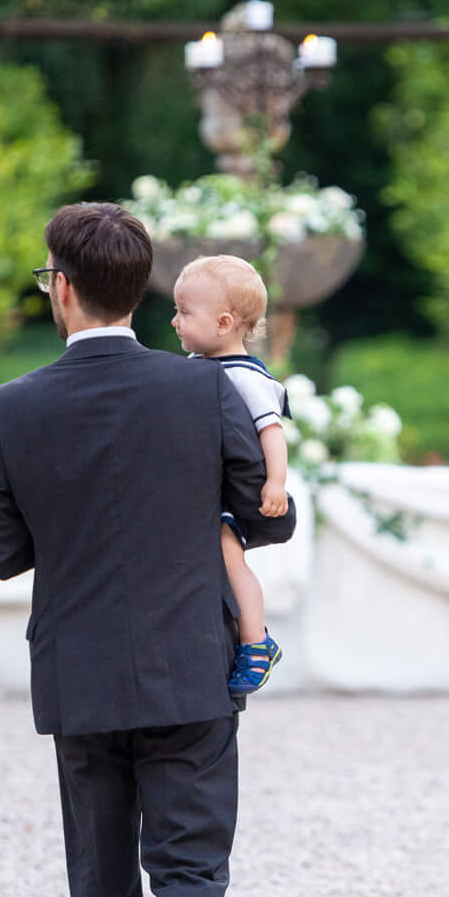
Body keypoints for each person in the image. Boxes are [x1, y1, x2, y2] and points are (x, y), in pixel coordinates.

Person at [0, 201, 296, 897]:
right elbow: (266, 519)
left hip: (79, 675)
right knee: (189, 870)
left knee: (101, 883)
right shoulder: (204, 390)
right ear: (140, 289)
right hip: (188, 668)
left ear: (63, 289)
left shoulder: (14, 406)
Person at [171, 254, 287, 696]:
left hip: (228, 495)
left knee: (230, 558)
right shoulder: (196, 367)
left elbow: (271, 431)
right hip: (199, 490)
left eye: (184, 312)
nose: (175, 321)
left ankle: (256, 641)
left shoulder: (245, 377)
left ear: (223, 323)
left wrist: (275, 482)